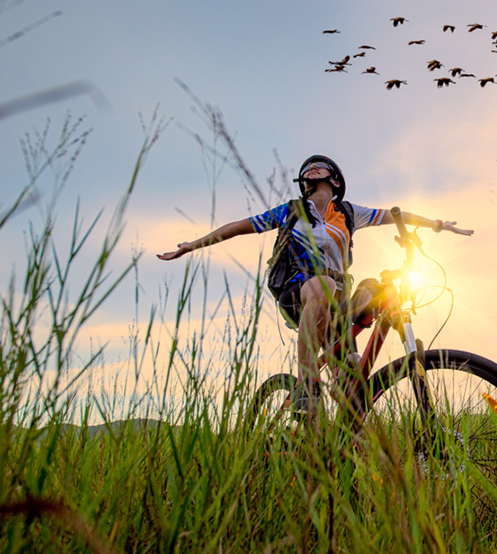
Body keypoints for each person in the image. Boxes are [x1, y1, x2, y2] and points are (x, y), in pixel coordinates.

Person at [157, 154, 473, 414]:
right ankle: (307, 385)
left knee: (375, 296)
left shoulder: (349, 213)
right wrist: (191, 246)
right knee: (321, 285)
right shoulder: (292, 212)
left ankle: (338, 439)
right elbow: (239, 227)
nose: (310, 169)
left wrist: (437, 225)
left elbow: (396, 215)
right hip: (297, 292)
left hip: (336, 298)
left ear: (335, 181)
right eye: (307, 169)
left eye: (318, 166)